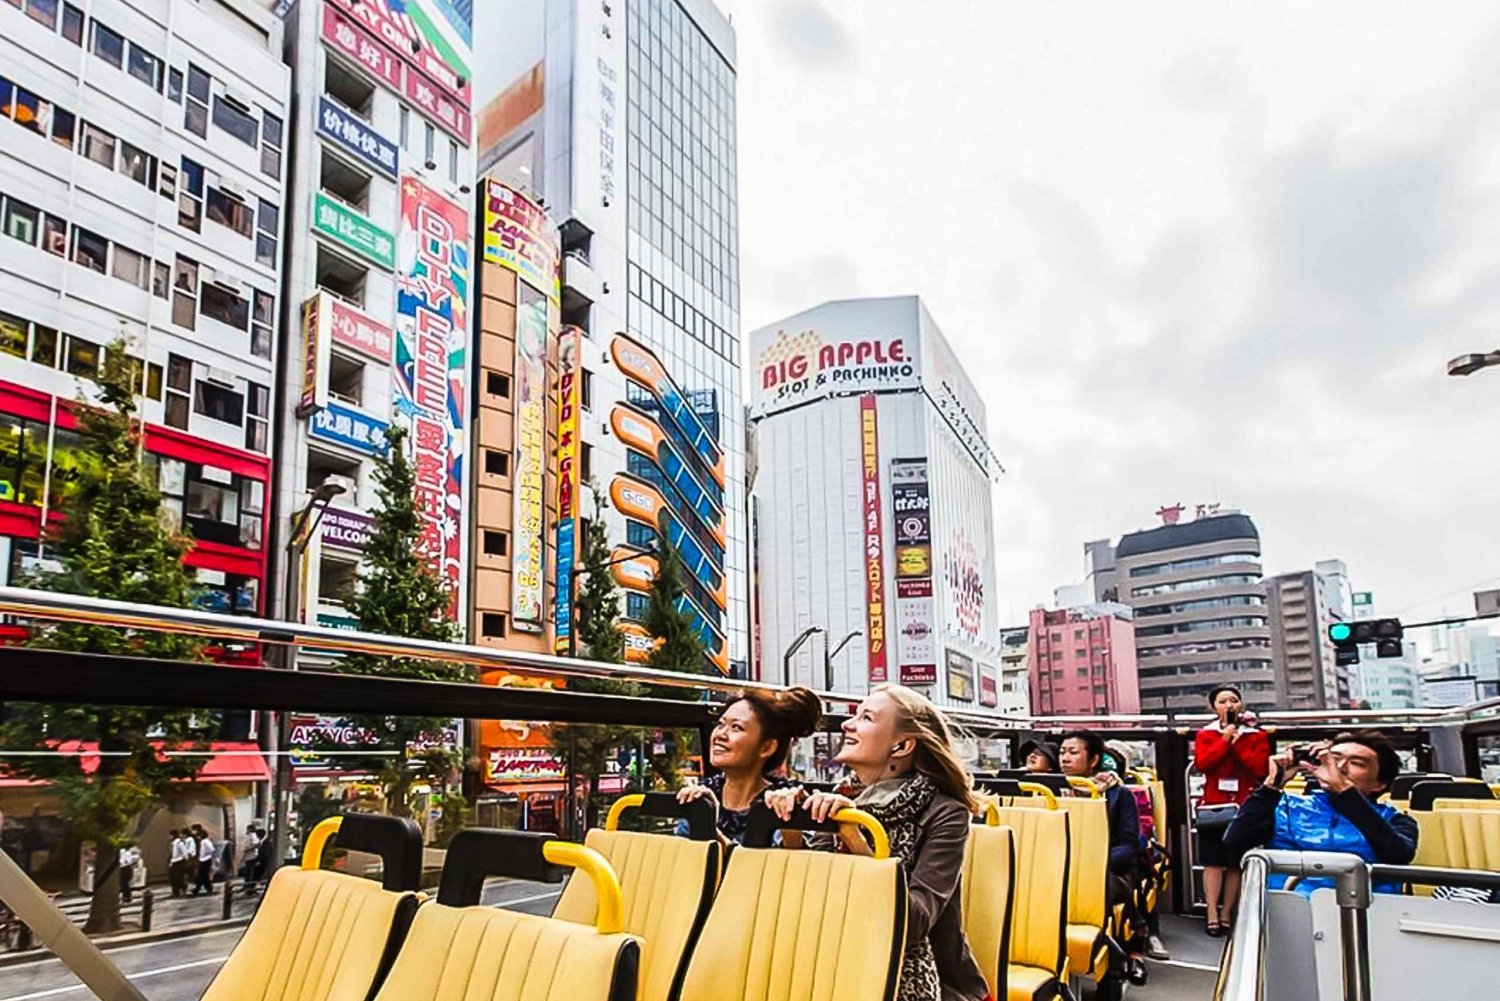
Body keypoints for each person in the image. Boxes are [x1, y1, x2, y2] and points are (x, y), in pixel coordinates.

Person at [765, 684, 987, 1001]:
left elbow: (913, 923)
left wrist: (853, 835)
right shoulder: (841, 798)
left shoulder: (946, 814)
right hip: (828, 962)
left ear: (901, 746)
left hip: (925, 978)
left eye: (866, 718)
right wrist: (791, 823)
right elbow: (810, 894)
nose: (846, 724)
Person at [1223, 730, 1418, 895]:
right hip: (1287, 911)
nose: (1340, 767)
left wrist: (1345, 793)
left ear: (1380, 784)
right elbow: (1235, 842)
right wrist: (1271, 787)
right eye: (1334, 759)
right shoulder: (1283, 807)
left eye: (1357, 763)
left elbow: (1398, 854)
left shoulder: (1395, 820)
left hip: (1363, 914)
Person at [1059, 730, 1160, 966]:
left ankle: (1120, 956)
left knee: (1099, 882)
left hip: (1112, 864)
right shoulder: (1054, 791)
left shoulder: (1119, 794)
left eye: (1073, 752)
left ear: (1094, 760)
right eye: (1062, 752)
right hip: (1064, 863)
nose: (1065, 758)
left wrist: (1095, 863)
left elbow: (1129, 844)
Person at [676, 687, 822, 845]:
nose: (720, 735)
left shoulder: (786, 799)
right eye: (720, 724)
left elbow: (784, 865)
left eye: (736, 727)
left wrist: (708, 827)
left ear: (766, 747)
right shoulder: (703, 795)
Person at [1193, 685, 1270, 936]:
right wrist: (1225, 738)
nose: (1229, 705)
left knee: (1235, 862)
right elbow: (1204, 764)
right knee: (1212, 861)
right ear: (1213, 707)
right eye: (1223, 701)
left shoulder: (1256, 736)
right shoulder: (1207, 734)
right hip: (1215, 805)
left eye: (1234, 700)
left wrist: (1239, 741)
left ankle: (1228, 913)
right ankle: (1211, 913)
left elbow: (1259, 769)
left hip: (1244, 805)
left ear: (1241, 705)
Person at [191, 825, 216, 896]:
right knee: (204, 876)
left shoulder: (205, 841)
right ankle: (207, 889)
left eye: (198, 836)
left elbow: (212, 849)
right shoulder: (203, 842)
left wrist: (207, 854)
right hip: (203, 859)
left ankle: (197, 890)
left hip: (206, 860)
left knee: (202, 876)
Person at [168, 829, 191, 897]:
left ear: (173, 835)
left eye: (170, 835)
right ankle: (175, 891)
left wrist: (186, 859)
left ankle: (180, 889)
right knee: (173, 878)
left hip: (179, 862)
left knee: (177, 877)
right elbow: (172, 854)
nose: (169, 837)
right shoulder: (172, 843)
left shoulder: (179, 843)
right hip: (174, 862)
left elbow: (184, 852)